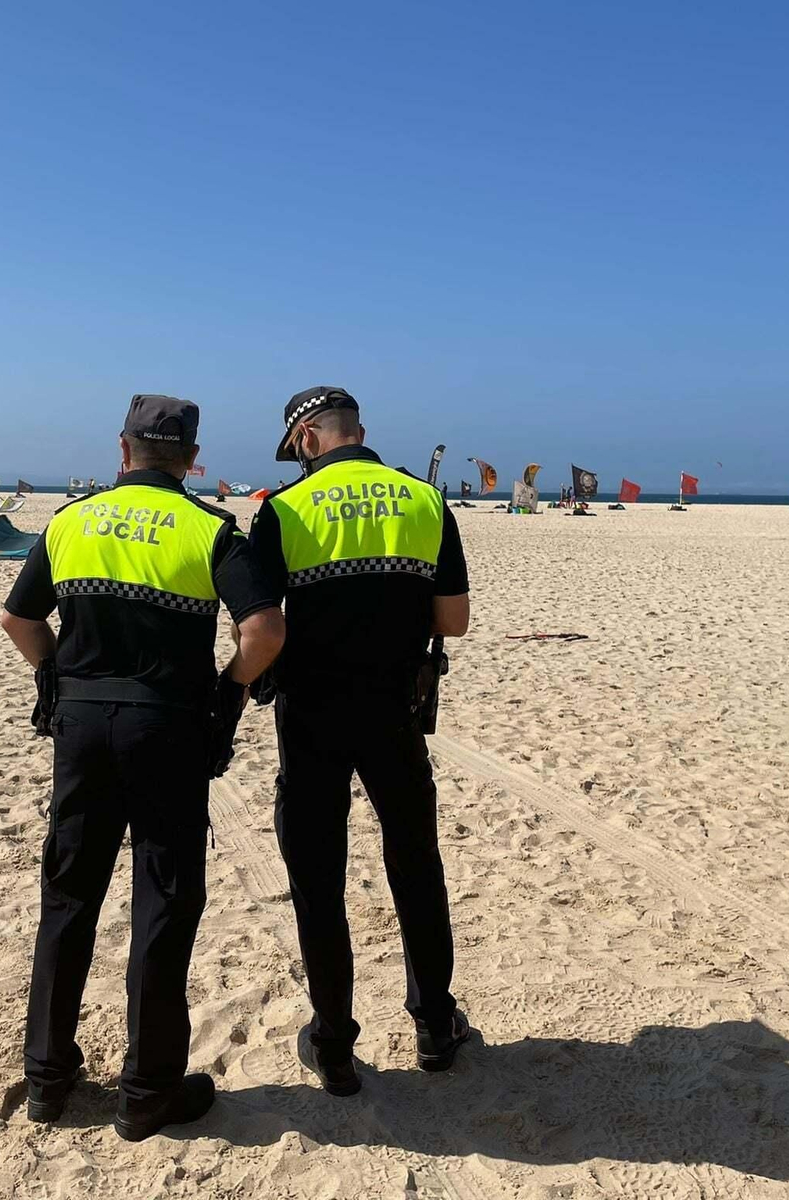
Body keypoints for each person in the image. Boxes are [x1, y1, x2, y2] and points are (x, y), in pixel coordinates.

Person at [0, 394, 285, 1140]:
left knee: (68, 897)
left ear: (122, 451)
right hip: (167, 728)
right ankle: (146, 1092)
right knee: (163, 901)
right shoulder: (210, 528)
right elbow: (264, 628)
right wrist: (229, 694)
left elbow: (18, 618)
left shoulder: (71, 522)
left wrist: (54, 676)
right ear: (191, 460)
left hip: (85, 724)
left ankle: (47, 1081)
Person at [247, 385, 472, 1097]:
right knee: (415, 863)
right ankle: (435, 1024)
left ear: (307, 440)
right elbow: (455, 619)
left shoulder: (282, 510)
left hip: (312, 714)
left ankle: (335, 1043)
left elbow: (264, 626)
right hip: (394, 710)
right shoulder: (423, 501)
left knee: (319, 877)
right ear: (360, 431)